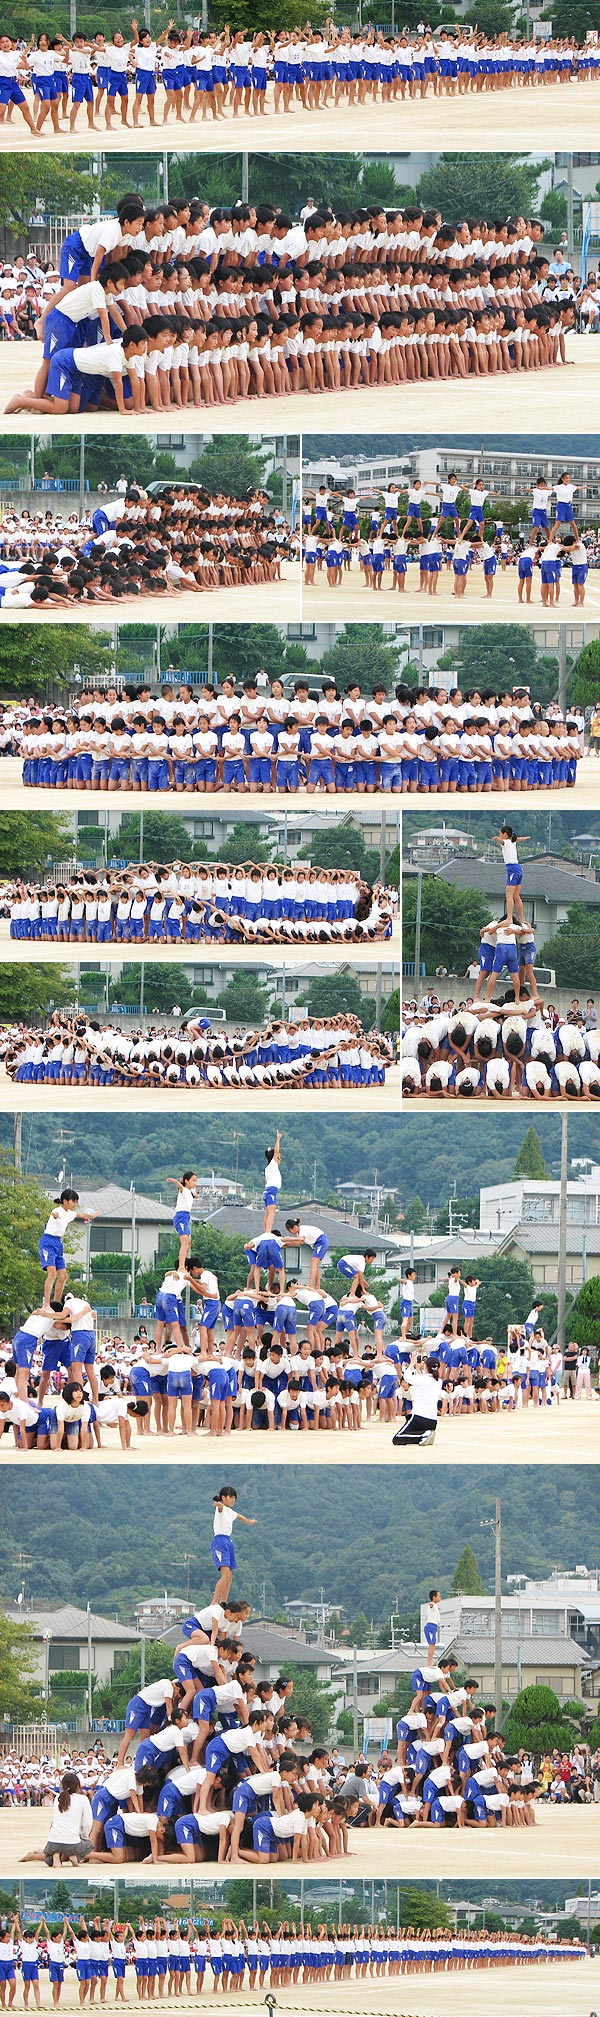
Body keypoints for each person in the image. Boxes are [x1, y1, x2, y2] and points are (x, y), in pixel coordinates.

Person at [391, 1355, 441, 1446]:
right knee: (407, 1427)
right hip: (433, 1422)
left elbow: (406, 1377)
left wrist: (412, 1364)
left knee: (397, 1438)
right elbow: (425, 1380)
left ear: (425, 1366)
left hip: (419, 1418)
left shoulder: (421, 1379)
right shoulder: (439, 1382)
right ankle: (425, 1434)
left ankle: (423, 1436)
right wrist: (419, 1369)